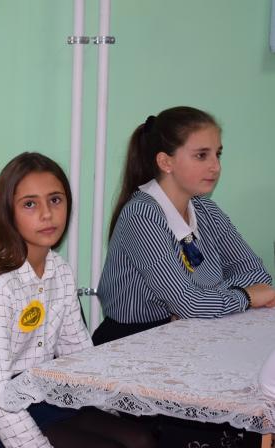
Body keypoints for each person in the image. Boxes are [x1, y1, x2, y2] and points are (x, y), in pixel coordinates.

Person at [0, 152, 157, 448]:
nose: (47, 214)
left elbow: (79, 356)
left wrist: (112, 408)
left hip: (31, 389)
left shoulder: (59, 270)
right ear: (7, 212)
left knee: (141, 442)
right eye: (30, 204)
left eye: (55, 200)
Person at [94, 106, 275, 345]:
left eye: (217, 154)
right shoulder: (141, 215)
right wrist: (246, 297)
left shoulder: (206, 209)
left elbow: (257, 275)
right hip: (132, 342)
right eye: (201, 155)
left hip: (190, 331)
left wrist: (203, 301)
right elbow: (189, 303)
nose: (216, 166)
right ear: (165, 162)